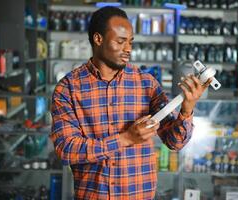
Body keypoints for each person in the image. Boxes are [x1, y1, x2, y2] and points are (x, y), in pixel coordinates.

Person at [50, 6, 211, 200]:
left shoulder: (147, 84)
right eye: (120, 41)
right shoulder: (68, 88)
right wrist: (125, 139)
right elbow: (67, 150)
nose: (128, 49)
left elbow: (174, 142)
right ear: (98, 39)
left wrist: (187, 108)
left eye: (130, 42)